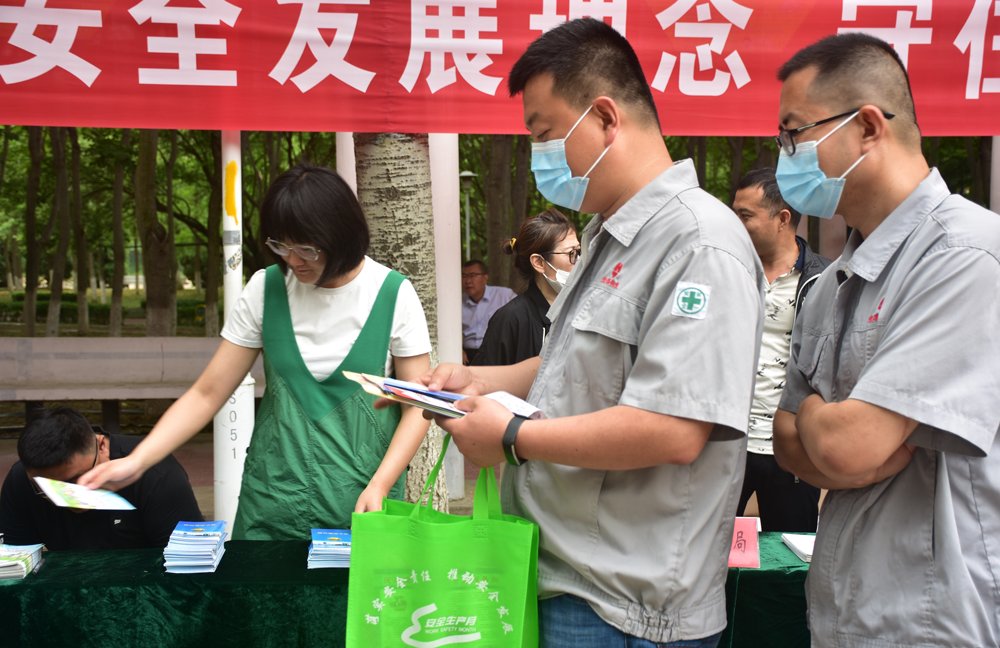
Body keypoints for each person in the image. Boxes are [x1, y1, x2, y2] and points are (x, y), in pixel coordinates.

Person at [421, 18, 764, 647]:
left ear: (605, 116)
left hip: (627, 607)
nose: (541, 157)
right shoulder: (610, 237)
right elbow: (567, 366)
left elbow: (675, 428)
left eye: (546, 135)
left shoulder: (699, 242)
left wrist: (514, 436)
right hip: (570, 577)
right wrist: (473, 380)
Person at [771, 33, 1000, 647]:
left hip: (932, 617)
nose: (785, 154)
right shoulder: (827, 285)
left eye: (794, 133)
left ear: (868, 127)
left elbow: (846, 448)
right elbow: (786, 442)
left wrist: (821, 421)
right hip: (845, 609)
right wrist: (831, 432)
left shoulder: (966, 255)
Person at [81, 164, 432, 540]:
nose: (293, 260)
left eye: (306, 249)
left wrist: (381, 484)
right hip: (273, 499)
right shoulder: (265, 289)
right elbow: (207, 392)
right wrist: (137, 461)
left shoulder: (394, 294)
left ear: (342, 236)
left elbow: (419, 404)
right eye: (281, 245)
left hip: (365, 497)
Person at [731, 168, 829, 532]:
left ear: (782, 219)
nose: (735, 224)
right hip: (728, 440)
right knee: (707, 551)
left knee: (791, 555)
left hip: (790, 446)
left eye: (745, 215)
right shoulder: (729, 269)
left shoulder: (826, 280)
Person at [0, 406, 202, 550]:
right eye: (48, 488)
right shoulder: (21, 480)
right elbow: (16, 561)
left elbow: (188, 564)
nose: (66, 495)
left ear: (101, 445)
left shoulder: (156, 474)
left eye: (76, 480)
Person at [473, 208, 579, 366]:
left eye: (579, 252)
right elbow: (484, 381)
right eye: (571, 254)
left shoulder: (582, 310)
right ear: (539, 263)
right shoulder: (510, 318)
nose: (579, 261)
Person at [461, 259, 515, 364]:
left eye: (472, 275)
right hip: (468, 355)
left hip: (496, 352)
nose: (468, 281)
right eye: (464, 276)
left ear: (485, 278)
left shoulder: (504, 296)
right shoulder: (457, 302)